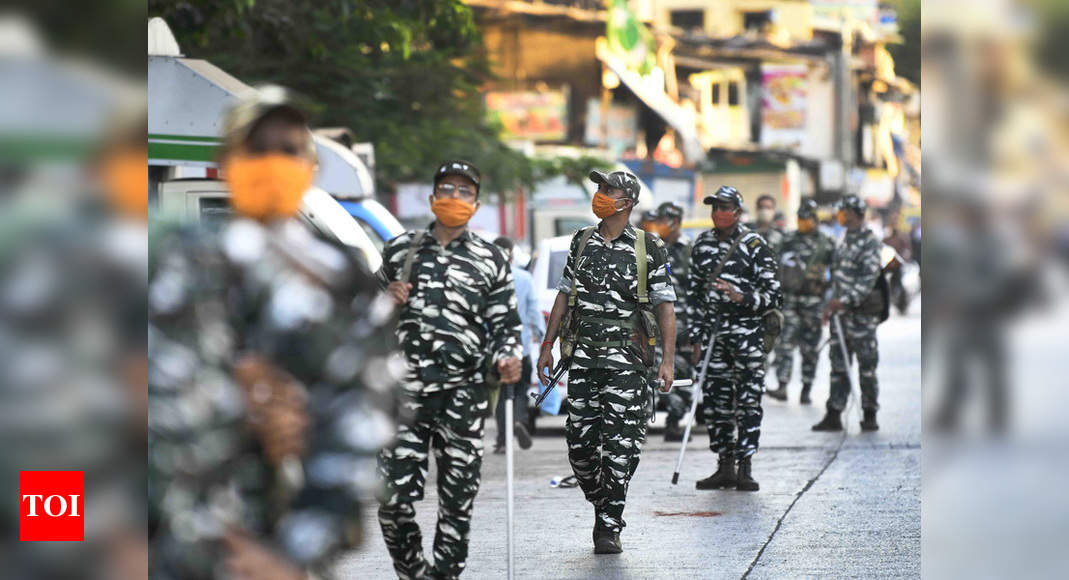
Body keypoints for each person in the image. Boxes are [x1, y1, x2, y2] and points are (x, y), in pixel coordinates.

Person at [148, 87, 400, 579]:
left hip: (262, 539)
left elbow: (359, 422)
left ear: (311, 167)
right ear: (227, 161)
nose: (272, 163)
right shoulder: (170, 259)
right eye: (256, 149)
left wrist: (293, 557)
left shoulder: (334, 281)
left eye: (288, 150)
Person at [377, 159, 523, 579]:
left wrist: (508, 357)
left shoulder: (490, 258)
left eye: (464, 191)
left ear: (476, 203)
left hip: (464, 394)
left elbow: (505, 325)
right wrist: (386, 299)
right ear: (432, 197)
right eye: (447, 188)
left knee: (457, 501)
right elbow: (360, 316)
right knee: (393, 502)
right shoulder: (400, 250)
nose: (454, 197)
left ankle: (444, 575)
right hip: (403, 395)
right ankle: (413, 571)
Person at [538, 170, 676, 554]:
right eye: (599, 189)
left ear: (627, 202)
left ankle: (608, 524)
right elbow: (564, 296)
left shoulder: (649, 247)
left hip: (628, 364)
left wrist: (668, 361)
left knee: (620, 446)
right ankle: (602, 499)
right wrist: (547, 345)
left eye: (608, 190)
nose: (600, 195)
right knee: (580, 447)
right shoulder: (581, 241)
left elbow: (666, 307)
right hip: (582, 360)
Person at [687, 186, 781, 492]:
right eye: (714, 207)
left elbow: (773, 295)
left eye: (724, 207)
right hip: (714, 335)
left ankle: (745, 466)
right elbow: (694, 296)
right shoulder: (701, 245)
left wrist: (740, 296)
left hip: (747, 335)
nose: (718, 213)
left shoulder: (755, 245)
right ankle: (724, 465)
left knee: (748, 401)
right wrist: (696, 339)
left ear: (738, 212)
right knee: (716, 401)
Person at [812, 194, 883, 432]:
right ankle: (834, 413)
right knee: (838, 366)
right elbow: (837, 279)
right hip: (840, 317)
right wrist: (830, 306)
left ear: (854, 213)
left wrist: (843, 301)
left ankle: (870, 413)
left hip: (861, 316)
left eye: (843, 211)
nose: (840, 215)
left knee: (867, 367)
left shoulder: (870, 242)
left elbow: (868, 280)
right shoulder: (842, 240)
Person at [766, 199, 836, 404]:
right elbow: (773, 261)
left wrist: (832, 300)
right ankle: (782, 385)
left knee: (810, 347)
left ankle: (806, 388)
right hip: (789, 300)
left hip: (814, 302)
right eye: (799, 219)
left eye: (806, 219)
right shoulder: (788, 239)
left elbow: (837, 270)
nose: (802, 223)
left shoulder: (826, 242)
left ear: (814, 219)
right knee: (784, 343)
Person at [647, 201, 695, 441]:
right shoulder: (654, 248)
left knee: (683, 372)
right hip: (654, 323)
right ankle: (642, 422)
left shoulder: (690, 252)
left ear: (675, 222)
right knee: (650, 371)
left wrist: (698, 331)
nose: (658, 225)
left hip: (684, 325)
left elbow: (700, 292)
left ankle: (675, 422)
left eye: (662, 221)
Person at [491, 236, 542, 454]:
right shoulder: (524, 278)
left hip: (495, 347)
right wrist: (542, 335)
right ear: (512, 255)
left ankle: (503, 439)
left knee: (502, 394)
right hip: (521, 347)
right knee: (520, 391)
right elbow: (533, 309)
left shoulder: (489, 277)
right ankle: (520, 421)